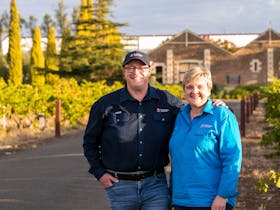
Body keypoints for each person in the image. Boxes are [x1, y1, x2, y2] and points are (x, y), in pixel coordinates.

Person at [83, 51, 225, 210]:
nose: (135, 72)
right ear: (123, 70)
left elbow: (194, 110)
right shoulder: (105, 104)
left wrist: (216, 106)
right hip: (119, 186)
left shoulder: (167, 101)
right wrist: (99, 173)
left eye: (141, 67)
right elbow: (89, 142)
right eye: (130, 67)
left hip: (155, 185)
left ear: (149, 70)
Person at [169, 66, 242, 210]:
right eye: (189, 87)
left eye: (200, 86)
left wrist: (223, 195)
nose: (194, 91)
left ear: (209, 89)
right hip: (181, 199)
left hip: (211, 200)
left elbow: (233, 159)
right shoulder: (179, 116)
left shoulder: (222, 116)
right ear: (184, 90)